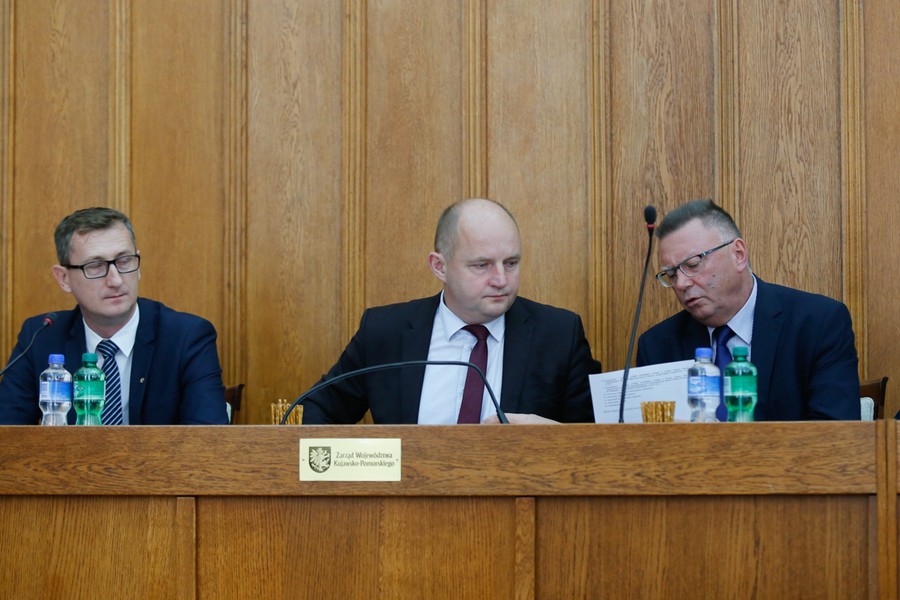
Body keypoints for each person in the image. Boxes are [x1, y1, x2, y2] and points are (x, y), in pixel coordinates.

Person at [301, 198, 600, 424]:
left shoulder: (559, 335)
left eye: (511, 263)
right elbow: (315, 413)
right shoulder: (385, 332)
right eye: (482, 265)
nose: (501, 280)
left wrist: (551, 436)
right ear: (439, 266)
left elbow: (595, 444)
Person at [0, 207, 228, 425]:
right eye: (95, 266)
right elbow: (7, 433)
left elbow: (207, 438)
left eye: (124, 261)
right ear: (64, 278)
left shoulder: (186, 337)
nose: (116, 280)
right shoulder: (41, 337)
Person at [636, 199, 860, 420]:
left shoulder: (819, 324)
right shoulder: (657, 346)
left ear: (739, 254)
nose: (681, 284)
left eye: (693, 264)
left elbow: (835, 430)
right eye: (671, 275)